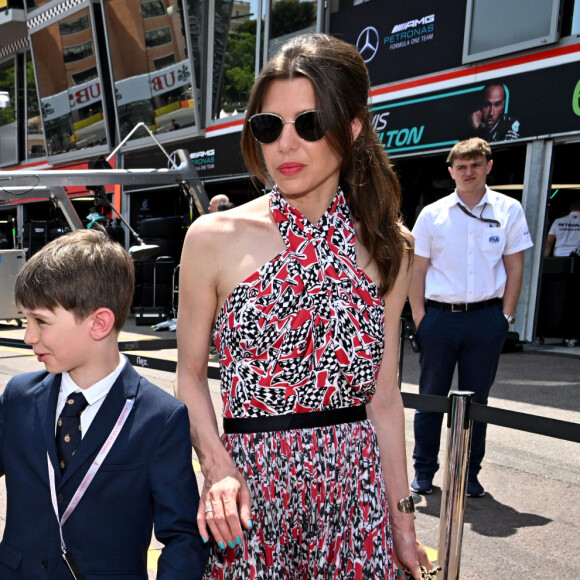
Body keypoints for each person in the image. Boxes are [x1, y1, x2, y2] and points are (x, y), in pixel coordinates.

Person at [175, 33, 432, 579]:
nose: (285, 145)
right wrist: (217, 468)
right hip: (250, 496)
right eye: (269, 127)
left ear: (353, 127)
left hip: (355, 501)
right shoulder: (212, 237)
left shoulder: (391, 248)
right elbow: (190, 377)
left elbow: (384, 400)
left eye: (309, 124)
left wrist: (403, 524)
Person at [0, 228, 208, 579]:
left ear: (99, 323)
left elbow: (184, 536)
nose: (28, 336)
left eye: (40, 322)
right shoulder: (19, 397)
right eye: (26, 320)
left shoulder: (160, 418)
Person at [409, 137, 533, 498]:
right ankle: (423, 470)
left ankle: (468, 474)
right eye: (461, 167)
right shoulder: (432, 214)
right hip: (439, 319)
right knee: (431, 398)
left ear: (488, 167)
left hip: (486, 321)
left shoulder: (509, 210)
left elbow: (515, 268)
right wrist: (420, 318)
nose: (468, 172)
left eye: (475, 165)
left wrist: (504, 318)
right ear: (451, 172)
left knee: (477, 404)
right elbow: (416, 271)